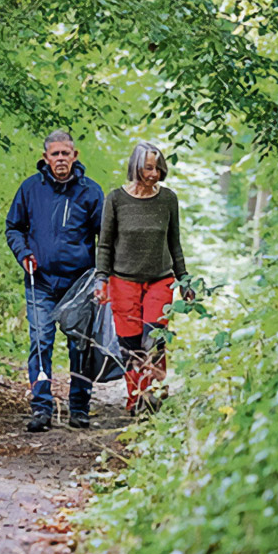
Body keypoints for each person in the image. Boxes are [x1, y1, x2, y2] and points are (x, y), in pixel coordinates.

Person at [5, 131, 104, 432]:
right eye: (55, 154)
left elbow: (107, 237)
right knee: (40, 343)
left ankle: (79, 408)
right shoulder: (30, 189)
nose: (60, 159)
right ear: (45, 157)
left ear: (75, 156)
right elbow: (13, 228)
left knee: (81, 347)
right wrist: (23, 253)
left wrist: (103, 277)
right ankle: (41, 407)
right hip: (41, 281)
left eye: (66, 154)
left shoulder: (91, 192)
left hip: (80, 284)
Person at [93, 141, 194, 415]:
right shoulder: (115, 199)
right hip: (122, 280)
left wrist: (184, 280)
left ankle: (153, 397)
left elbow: (175, 243)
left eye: (159, 168)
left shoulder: (168, 199)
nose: (155, 174)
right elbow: (104, 244)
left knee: (154, 340)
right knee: (130, 346)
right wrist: (101, 279)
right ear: (135, 167)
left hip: (160, 279)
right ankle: (135, 398)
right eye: (149, 168)